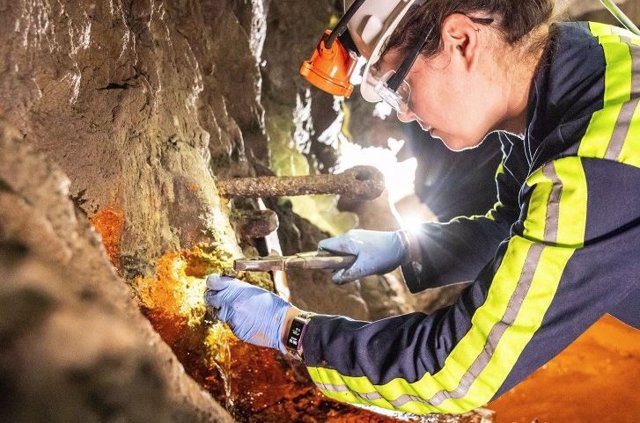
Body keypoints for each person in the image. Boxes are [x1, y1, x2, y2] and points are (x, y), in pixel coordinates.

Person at [205, 0, 640, 415]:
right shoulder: (585, 66)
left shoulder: (596, 162)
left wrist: (292, 330)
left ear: (461, 40)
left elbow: (456, 373)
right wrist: (406, 247)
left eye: (401, 89)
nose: (405, 116)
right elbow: (517, 226)